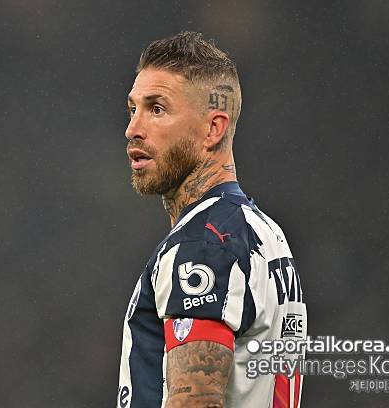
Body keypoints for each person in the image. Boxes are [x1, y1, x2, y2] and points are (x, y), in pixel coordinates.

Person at [117, 32, 307, 408]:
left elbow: (197, 400)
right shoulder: (264, 232)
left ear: (213, 129)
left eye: (157, 109)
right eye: (133, 109)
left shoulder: (202, 245)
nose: (133, 129)